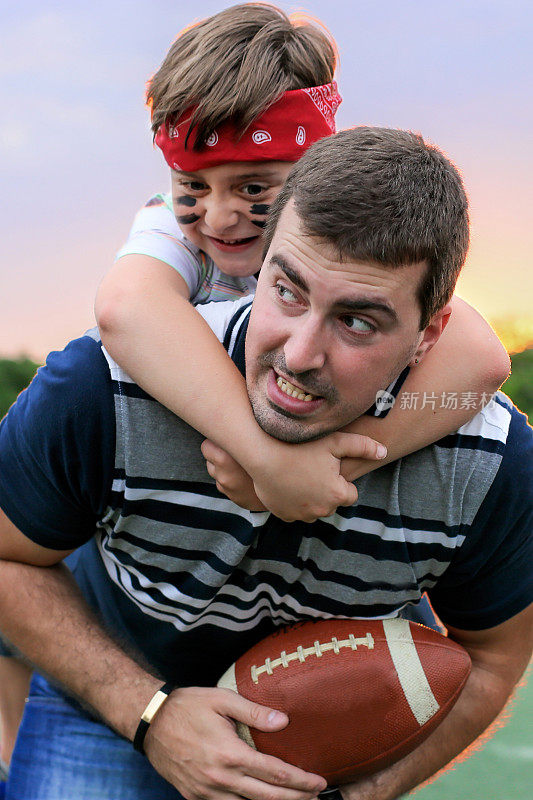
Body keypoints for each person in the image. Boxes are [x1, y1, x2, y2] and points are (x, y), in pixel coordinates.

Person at [0, 127, 531, 800]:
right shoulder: (105, 390)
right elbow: (6, 555)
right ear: (261, 263)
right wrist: (149, 714)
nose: (300, 353)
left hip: (319, 751)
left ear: (429, 334)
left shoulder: (484, 461)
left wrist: (353, 796)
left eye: (357, 322)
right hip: (110, 699)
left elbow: (493, 657)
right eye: (286, 290)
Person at [95, 2, 510, 523]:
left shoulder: (346, 234)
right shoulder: (168, 229)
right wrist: (265, 458)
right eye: (194, 186)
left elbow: (482, 358)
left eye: (252, 187)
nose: (220, 218)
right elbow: (124, 308)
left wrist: (332, 468)